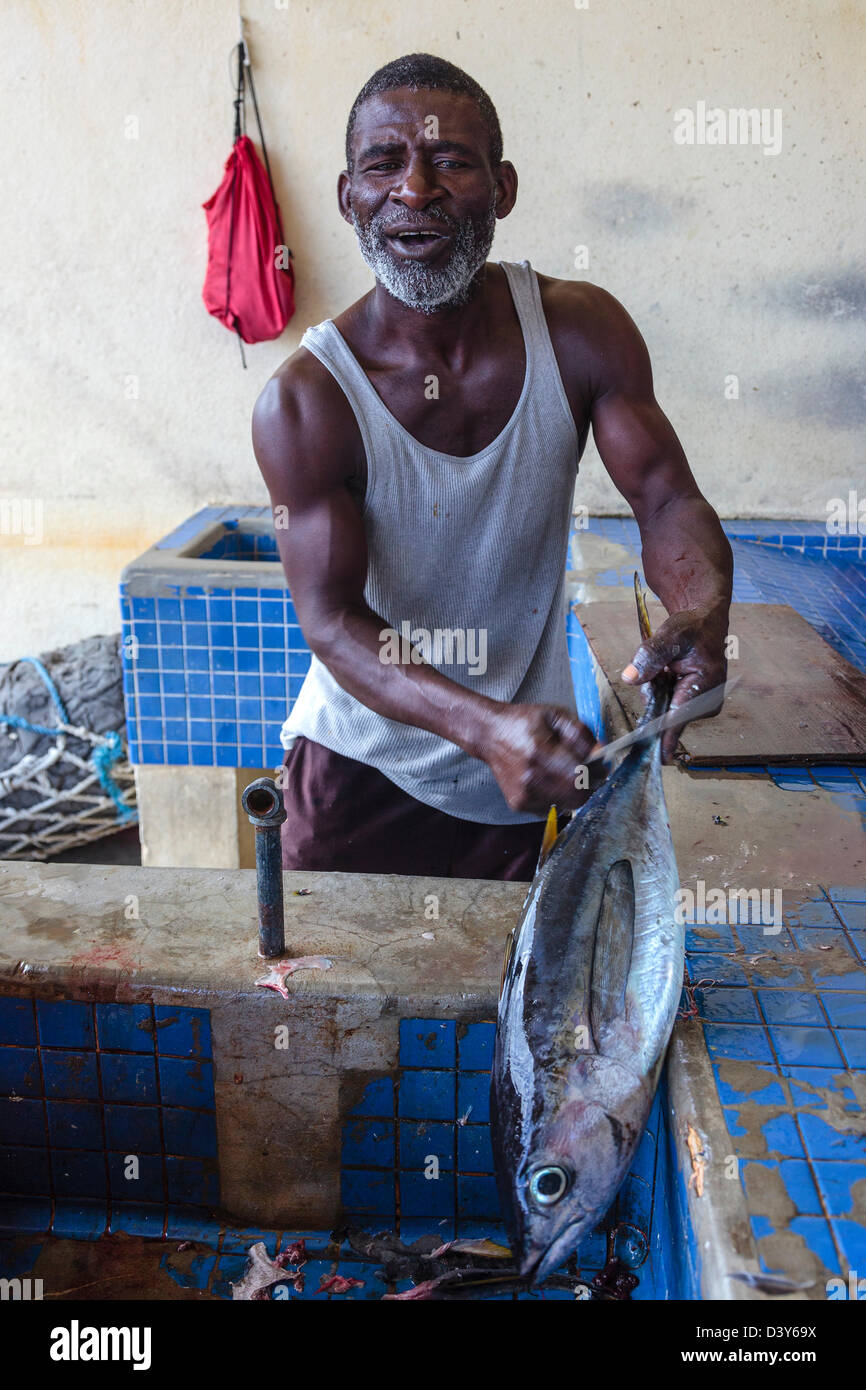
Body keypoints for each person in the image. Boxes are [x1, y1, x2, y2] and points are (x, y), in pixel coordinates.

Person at [252, 53, 732, 882]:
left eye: (450, 161)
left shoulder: (580, 331)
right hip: (358, 784)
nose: (414, 190)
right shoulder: (307, 400)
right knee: (339, 1007)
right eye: (384, 164)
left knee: (511, 1009)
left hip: (515, 788)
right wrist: (484, 727)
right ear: (348, 197)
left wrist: (702, 613)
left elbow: (666, 501)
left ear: (502, 189)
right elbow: (330, 622)